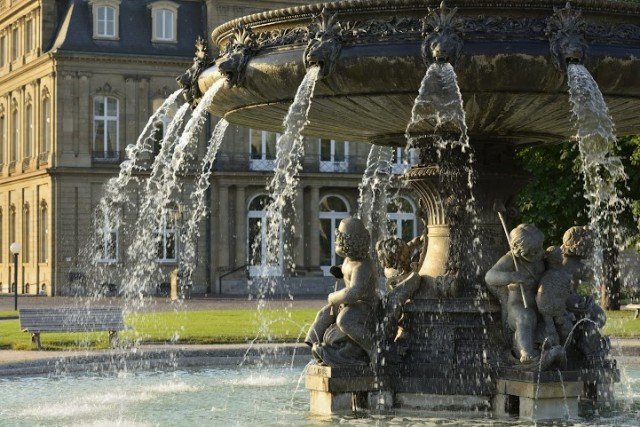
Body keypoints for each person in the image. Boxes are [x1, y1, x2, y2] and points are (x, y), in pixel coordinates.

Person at [305, 217, 380, 367]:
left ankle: (373, 349)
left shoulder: (362, 265)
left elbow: (355, 292)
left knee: (344, 320)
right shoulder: (349, 260)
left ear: (347, 242)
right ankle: (314, 343)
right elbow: (348, 274)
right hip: (351, 304)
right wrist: (340, 271)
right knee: (324, 313)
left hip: (366, 306)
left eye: (339, 238)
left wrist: (333, 297)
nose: (336, 241)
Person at [485, 224, 546, 363]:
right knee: (525, 318)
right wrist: (512, 276)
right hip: (518, 306)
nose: (539, 253)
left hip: (540, 306)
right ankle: (525, 351)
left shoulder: (540, 257)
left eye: (539, 248)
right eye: (533, 252)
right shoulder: (511, 259)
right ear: (518, 250)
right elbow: (490, 276)